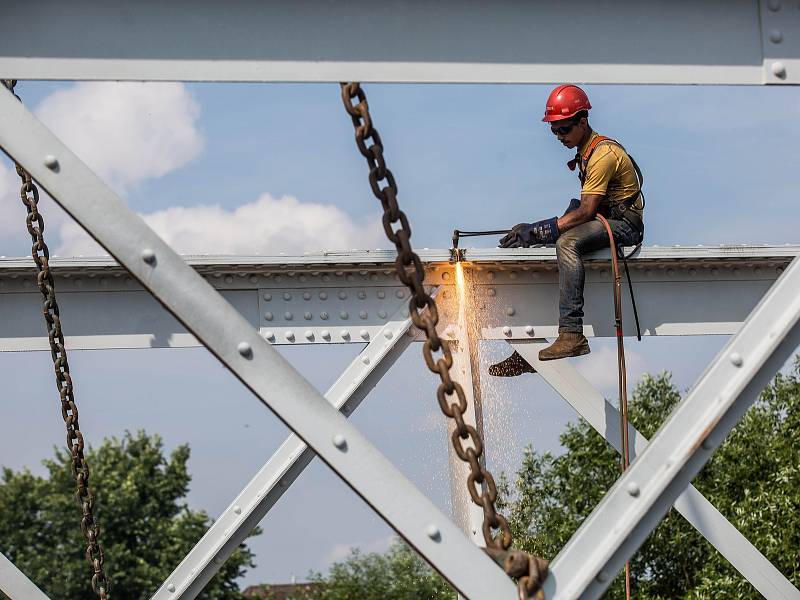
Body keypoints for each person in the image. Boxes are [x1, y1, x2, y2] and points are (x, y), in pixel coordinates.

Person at [489, 84, 644, 376]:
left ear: (582, 121)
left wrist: (538, 230)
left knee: (566, 244)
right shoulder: (587, 151)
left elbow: (586, 212)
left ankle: (571, 334)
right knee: (550, 246)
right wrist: (537, 232)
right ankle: (530, 346)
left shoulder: (603, 154)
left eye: (564, 129)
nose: (559, 136)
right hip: (604, 218)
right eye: (554, 131)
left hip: (624, 226)